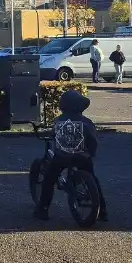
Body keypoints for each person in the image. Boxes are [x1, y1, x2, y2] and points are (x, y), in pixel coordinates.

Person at [36, 90, 105, 221]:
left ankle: (43, 209)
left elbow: (55, 136)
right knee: (93, 180)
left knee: (49, 180)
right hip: (82, 157)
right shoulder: (86, 122)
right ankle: (103, 210)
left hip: (62, 157)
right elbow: (93, 140)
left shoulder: (58, 121)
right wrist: (91, 153)